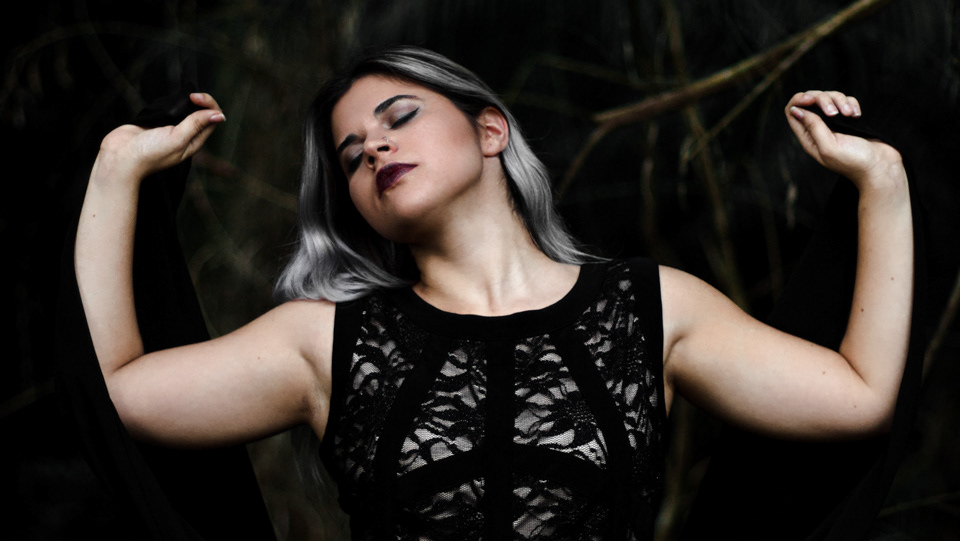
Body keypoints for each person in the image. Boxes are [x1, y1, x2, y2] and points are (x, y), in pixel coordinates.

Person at [74, 46, 913, 540]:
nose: (373, 148)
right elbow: (119, 393)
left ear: (489, 129)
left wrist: (883, 182)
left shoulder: (653, 308)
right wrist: (114, 173)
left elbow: (860, 395)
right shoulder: (319, 340)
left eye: (399, 116)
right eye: (351, 153)